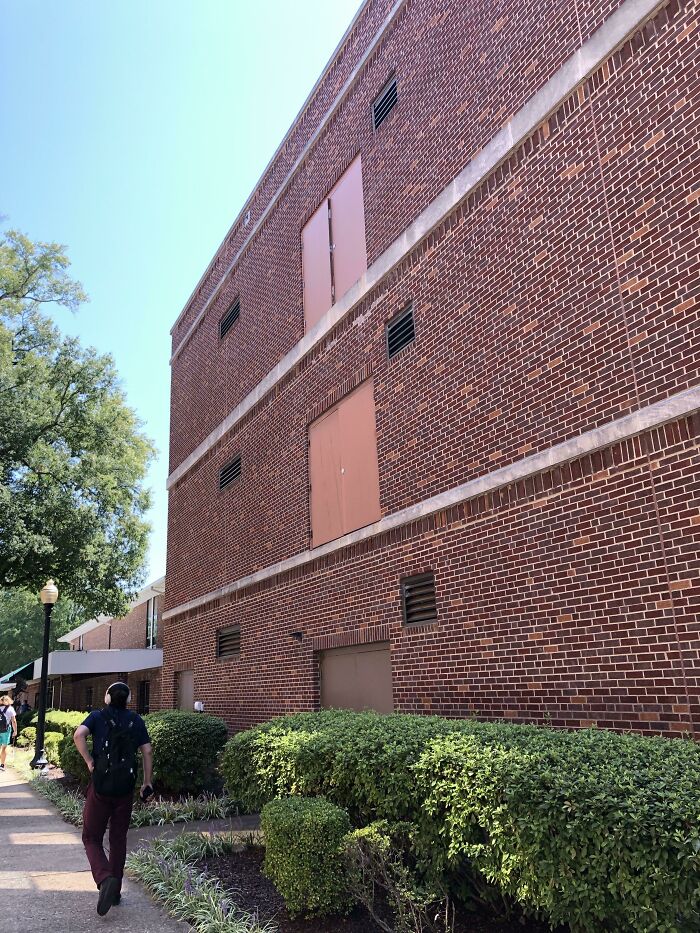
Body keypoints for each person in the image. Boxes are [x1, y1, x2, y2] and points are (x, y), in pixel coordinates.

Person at [73, 682, 153, 916]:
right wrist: (147, 782)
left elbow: (79, 735)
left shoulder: (97, 716)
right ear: (128, 700)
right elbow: (147, 750)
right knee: (118, 838)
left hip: (100, 787)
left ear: (107, 697)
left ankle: (104, 877)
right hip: (125, 789)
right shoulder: (135, 720)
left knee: (91, 837)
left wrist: (89, 761)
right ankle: (115, 890)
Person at [0, 695, 17, 771]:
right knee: (4, 748)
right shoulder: (11, 709)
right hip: (5, 730)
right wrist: (15, 730)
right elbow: (13, 721)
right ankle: (2, 765)